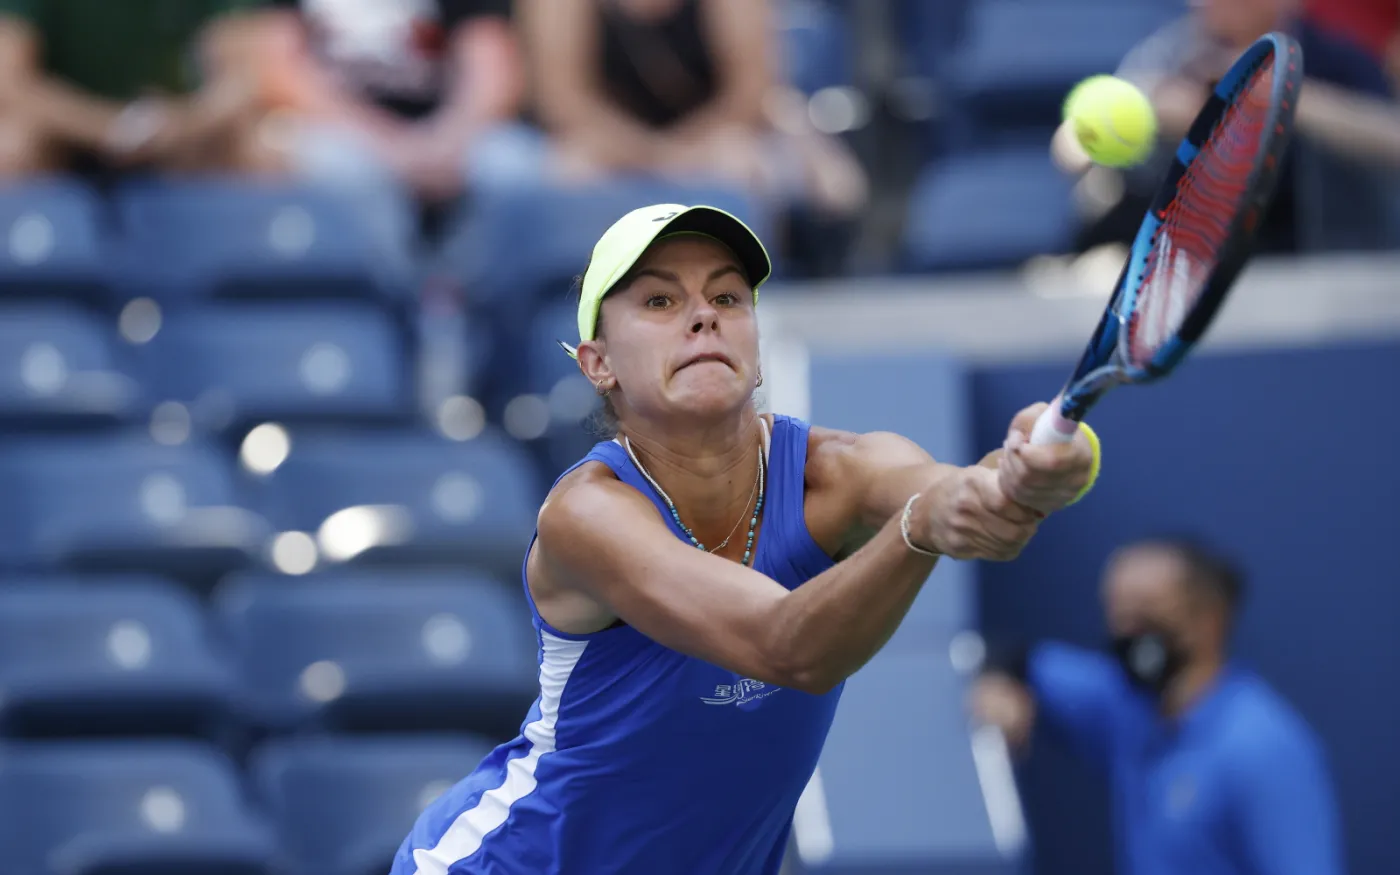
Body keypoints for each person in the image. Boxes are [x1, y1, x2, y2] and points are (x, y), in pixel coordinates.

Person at [390, 203, 1100, 875]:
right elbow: (785, 645)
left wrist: (1028, 477)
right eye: (661, 302)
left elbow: (956, 491)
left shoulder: (837, 473)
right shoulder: (588, 515)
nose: (704, 316)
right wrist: (919, 531)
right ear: (597, 364)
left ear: (757, 350)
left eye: (728, 298)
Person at [971, 537, 1343, 875]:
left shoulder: (1264, 748)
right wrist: (1001, 686)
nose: (1129, 633)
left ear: (1209, 620)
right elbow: (1014, 658)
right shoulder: (1122, 704)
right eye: (1118, 614)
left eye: (1146, 613)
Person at [1054, 0, 1400, 254]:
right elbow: (1071, 148)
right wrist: (1153, 109)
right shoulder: (1170, 55)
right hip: (1192, 275)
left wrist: (1282, 95)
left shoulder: (1338, 58)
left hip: (1320, 275)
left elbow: (1390, 139)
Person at [518, 0, 867, 219]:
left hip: (718, 135)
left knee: (740, 165)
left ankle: (749, 295)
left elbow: (749, 92)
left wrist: (685, 152)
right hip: (609, 144)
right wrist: (653, 155)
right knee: (569, 170)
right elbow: (563, 100)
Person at [244, 0, 530, 204]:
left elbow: (493, 69)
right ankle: (362, 282)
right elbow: (279, 71)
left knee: (511, 163)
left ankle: (466, 282)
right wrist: (386, 144)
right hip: (340, 130)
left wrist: (449, 142)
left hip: (443, 132)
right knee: (333, 165)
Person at [0, 0, 264, 180]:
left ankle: (248, 257)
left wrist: (182, 123)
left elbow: (242, 81)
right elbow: (11, 80)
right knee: (11, 145)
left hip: (178, 133)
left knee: (254, 149)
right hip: (65, 132)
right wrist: (108, 128)